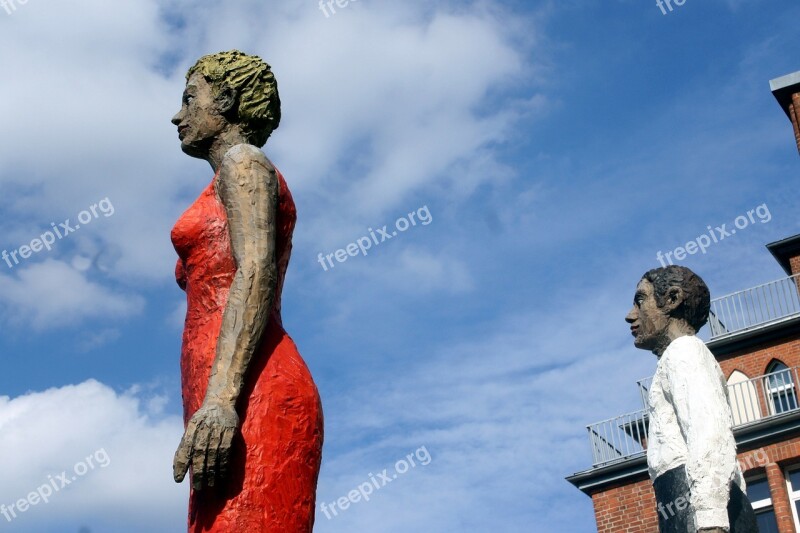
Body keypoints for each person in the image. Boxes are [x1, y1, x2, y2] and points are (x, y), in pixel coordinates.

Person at [170, 50, 323, 532]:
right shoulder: (224, 177)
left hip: (253, 391)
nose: (178, 115)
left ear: (228, 100)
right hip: (225, 396)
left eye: (190, 99)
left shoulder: (245, 164)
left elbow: (256, 272)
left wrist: (220, 401)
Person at [625, 265, 757, 533]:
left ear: (672, 299)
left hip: (697, 511)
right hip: (679, 503)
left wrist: (710, 521)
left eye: (640, 301)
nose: (631, 316)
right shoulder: (676, 358)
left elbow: (709, 434)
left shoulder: (685, 351)